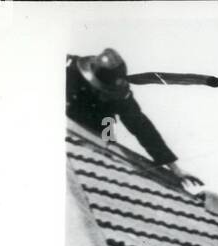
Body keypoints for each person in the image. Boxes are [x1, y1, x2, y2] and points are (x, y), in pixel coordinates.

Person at [66, 49, 202, 192]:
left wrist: (176, 169)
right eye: (100, 91)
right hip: (69, 116)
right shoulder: (70, 70)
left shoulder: (120, 93)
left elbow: (142, 128)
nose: (103, 96)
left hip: (103, 125)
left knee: (105, 155)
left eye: (107, 93)